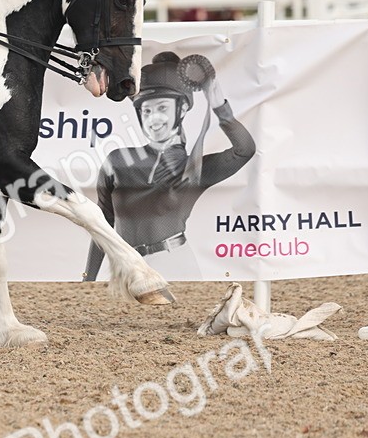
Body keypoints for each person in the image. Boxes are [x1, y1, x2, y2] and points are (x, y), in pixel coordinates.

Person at [84, 51, 256, 281]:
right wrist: (89, 278)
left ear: (182, 110)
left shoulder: (193, 168)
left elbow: (244, 150)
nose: (154, 118)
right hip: (125, 264)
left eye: (162, 108)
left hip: (175, 264)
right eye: (147, 110)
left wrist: (218, 104)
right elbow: (102, 222)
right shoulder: (116, 161)